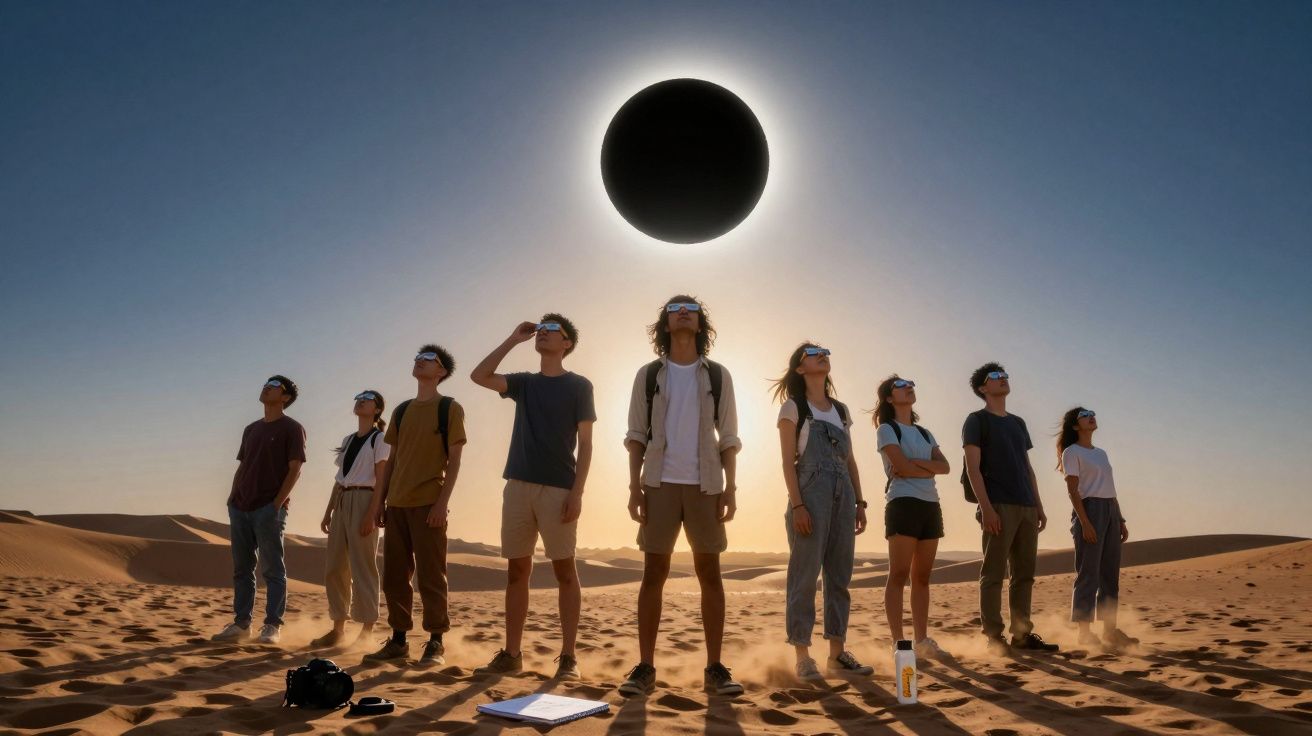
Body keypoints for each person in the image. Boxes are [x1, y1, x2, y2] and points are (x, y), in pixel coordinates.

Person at [619, 295, 744, 697]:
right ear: (666, 324)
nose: (683, 310)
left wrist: (730, 486)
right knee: (653, 573)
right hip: (658, 483)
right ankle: (645, 668)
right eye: (675, 307)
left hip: (706, 483)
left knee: (710, 574)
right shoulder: (650, 374)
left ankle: (715, 668)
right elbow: (636, 433)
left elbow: (729, 436)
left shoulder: (719, 376)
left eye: (690, 306)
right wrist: (634, 485)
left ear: (700, 322)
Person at [470, 315, 595, 680]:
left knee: (564, 571)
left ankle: (568, 657)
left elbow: (586, 443)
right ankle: (512, 654)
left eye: (552, 330)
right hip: (518, 486)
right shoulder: (524, 383)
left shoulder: (579, 386)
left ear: (567, 343)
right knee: (516, 572)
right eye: (541, 328)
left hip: (559, 489)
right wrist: (512, 339)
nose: (543, 332)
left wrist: (578, 492)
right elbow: (479, 376)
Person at [774, 343, 873, 683]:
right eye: (814, 352)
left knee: (839, 576)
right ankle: (802, 656)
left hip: (843, 496)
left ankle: (837, 653)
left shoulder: (841, 411)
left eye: (826, 351)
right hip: (809, 496)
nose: (823, 354)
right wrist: (798, 505)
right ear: (800, 368)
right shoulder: (793, 408)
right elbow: (788, 463)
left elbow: (850, 461)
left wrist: (859, 502)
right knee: (804, 577)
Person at [363, 346, 466, 666]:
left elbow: (456, 460)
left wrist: (442, 504)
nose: (419, 361)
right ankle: (398, 639)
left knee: (432, 575)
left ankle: (436, 641)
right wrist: (379, 502)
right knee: (394, 576)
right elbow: (391, 461)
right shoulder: (402, 410)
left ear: (441, 372)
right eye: (418, 357)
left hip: (428, 503)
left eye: (429, 359)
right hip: (396, 504)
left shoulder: (449, 408)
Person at [963, 363, 1058, 654]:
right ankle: (994, 637)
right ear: (983, 388)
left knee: (1024, 574)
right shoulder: (976, 420)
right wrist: (986, 508)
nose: (1003, 379)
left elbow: (1027, 467)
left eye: (1005, 375)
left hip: (1027, 505)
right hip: (998, 505)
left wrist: (1039, 505)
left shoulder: (1018, 423)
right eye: (995, 377)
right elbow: (972, 468)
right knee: (993, 573)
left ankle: (1022, 635)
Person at [212, 375, 306, 645]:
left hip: (268, 508)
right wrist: (232, 497)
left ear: (285, 397)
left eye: (275, 385)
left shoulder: (292, 428)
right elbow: (243, 465)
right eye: (266, 383)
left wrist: (277, 504)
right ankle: (242, 624)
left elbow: (295, 468)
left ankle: (272, 626)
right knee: (242, 569)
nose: (267, 386)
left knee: (273, 570)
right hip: (240, 506)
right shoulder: (251, 429)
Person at [875, 375, 951, 660]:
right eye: (901, 385)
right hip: (902, 503)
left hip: (930, 506)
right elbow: (901, 468)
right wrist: (923, 467)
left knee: (922, 577)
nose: (909, 386)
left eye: (911, 383)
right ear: (890, 398)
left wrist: (916, 464)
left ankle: (922, 639)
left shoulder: (924, 433)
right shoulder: (886, 429)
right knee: (898, 574)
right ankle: (899, 643)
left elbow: (945, 467)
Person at [311, 390, 390, 649]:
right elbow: (339, 479)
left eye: (368, 398)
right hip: (343, 501)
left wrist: (373, 513)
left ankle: (367, 630)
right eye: (359, 396)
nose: (361, 400)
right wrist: (328, 511)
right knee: (334, 566)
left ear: (377, 409)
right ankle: (338, 628)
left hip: (365, 499)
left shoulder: (379, 439)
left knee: (363, 565)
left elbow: (381, 479)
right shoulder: (348, 440)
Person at [1058, 407, 1138, 651]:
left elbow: (1109, 487)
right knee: (1088, 573)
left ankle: (1110, 631)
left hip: (1110, 510)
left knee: (1109, 574)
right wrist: (1085, 522)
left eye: (1092, 413)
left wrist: (1120, 519)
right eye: (1084, 415)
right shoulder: (1072, 452)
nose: (1091, 416)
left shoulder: (1101, 453)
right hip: (1089, 509)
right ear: (1075, 426)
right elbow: (1073, 490)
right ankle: (1084, 632)